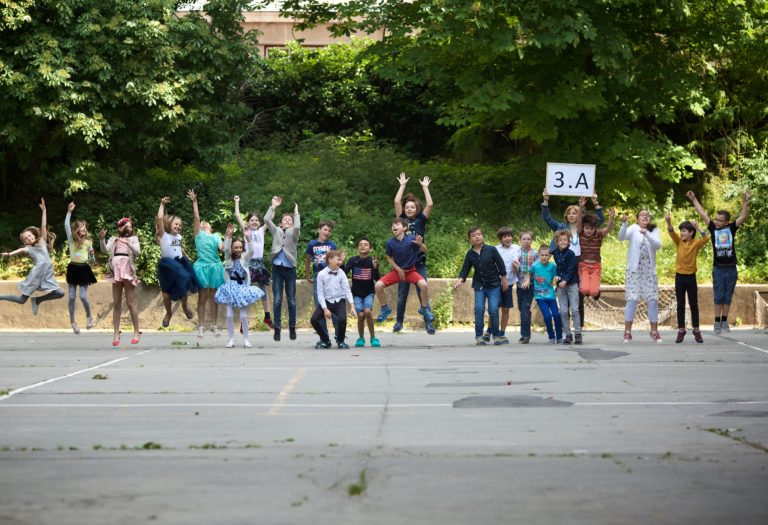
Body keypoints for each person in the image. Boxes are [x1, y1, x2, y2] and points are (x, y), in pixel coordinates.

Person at [686, 190, 751, 334]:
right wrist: (694, 198)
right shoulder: (713, 228)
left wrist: (745, 201)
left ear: (726, 222)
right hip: (718, 268)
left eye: (719, 220)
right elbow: (702, 213)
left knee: (728, 296)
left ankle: (724, 321)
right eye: (715, 219)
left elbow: (743, 216)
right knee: (718, 295)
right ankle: (716, 322)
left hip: (731, 268)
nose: (716, 222)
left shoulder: (731, 228)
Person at [541, 190, 604, 327]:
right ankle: (565, 327)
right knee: (564, 294)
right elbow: (547, 218)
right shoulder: (561, 227)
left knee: (578, 296)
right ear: (566, 216)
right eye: (569, 213)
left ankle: (578, 326)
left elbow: (601, 219)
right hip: (564, 263)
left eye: (574, 213)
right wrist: (546, 201)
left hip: (581, 262)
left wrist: (595, 202)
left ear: (579, 215)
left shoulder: (586, 228)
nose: (571, 215)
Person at [0, 198, 65, 315]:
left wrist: (44, 210)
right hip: (36, 276)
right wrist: (9, 254)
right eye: (26, 239)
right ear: (26, 242)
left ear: (34, 235)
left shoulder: (42, 242)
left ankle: (37, 300)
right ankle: (1, 297)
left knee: (60, 293)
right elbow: (20, 250)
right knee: (21, 300)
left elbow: (43, 225)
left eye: (29, 236)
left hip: (47, 275)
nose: (29, 238)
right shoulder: (28, 248)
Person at [388, 172, 434, 332]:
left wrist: (425, 188)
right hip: (403, 265)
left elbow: (430, 205)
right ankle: (399, 322)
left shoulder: (421, 219)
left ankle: (429, 321)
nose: (409, 209)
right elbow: (396, 201)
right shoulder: (400, 220)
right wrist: (402, 186)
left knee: (424, 289)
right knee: (402, 295)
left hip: (419, 262)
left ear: (416, 209)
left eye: (412, 207)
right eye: (407, 207)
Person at [375, 217, 435, 334]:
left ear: (404, 228)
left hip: (411, 271)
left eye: (397, 224)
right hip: (397, 272)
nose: (394, 226)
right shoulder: (390, 243)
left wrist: (420, 244)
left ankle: (424, 309)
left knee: (424, 285)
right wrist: (398, 269)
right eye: (392, 225)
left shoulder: (412, 239)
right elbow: (389, 257)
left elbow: (424, 250)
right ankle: (385, 308)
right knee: (378, 286)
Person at [454, 227, 509, 345]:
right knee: (479, 309)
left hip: (494, 284)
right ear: (470, 240)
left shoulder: (491, 249)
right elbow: (465, 269)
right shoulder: (470, 254)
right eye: (473, 235)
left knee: (493, 310)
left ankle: (496, 335)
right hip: (479, 285)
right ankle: (479, 336)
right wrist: (460, 280)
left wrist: (504, 280)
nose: (477, 237)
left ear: (482, 236)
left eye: (478, 234)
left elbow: (501, 264)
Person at [214, 224, 265, 348]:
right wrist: (228, 235)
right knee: (229, 315)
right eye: (235, 247)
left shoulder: (245, 258)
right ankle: (231, 339)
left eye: (240, 247)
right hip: (230, 287)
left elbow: (252, 250)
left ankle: (246, 339)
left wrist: (248, 238)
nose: (238, 249)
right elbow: (226, 247)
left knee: (243, 315)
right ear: (232, 248)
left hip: (242, 287)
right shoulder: (228, 258)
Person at [665, 211, 709, 343]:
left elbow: (706, 238)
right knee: (680, 304)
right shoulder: (678, 242)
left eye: (684, 231)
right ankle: (681, 330)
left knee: (693, 304)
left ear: (691, 233)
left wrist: (698, 228)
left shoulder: (695, 244)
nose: (682, 233)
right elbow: (672, 232)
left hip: (691, 278)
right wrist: (668, 221)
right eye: (681, 231)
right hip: (679, 278)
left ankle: (696, 330)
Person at [619, 210, 662, 343]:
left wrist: (647, 234)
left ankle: (654, 331)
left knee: (653, 300)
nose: (645, 216)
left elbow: (657, 245)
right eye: (642, 215)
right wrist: (624, 224)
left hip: (649, 271)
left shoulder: (653, 229)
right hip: (634, 271)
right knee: (632, 300)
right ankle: (627, 332)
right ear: (637, 219)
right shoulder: (633, 228)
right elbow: (621, 237)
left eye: (647, 215)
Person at [155, 196, 198, 327]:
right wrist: (162, 204)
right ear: (169, 225)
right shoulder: (163, 235)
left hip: (179, 264)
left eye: (180, 225)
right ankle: (169, 313)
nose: (178, 226)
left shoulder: (179, 237)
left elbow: (177, 248)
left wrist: (185, 254)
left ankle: (185, 307)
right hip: (167, 267)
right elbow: (160, 219)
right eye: (176, 224)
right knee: (166, 294)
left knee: (183, 288)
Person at [188, 190, 225, 338]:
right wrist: (195, 202)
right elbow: (196, 218)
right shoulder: (198, 234)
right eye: (202, 223)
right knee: (202, 298)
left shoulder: (216, 236)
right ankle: (201, 326)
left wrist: (228, 237)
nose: (203, 223)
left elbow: (222, 248)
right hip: (202, 267)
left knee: (214, 298)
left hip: (215, 267)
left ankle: (214, 326)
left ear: (211, 228)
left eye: (206, 224)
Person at [234, 196, 274, 329]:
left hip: (260, 263)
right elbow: (238, 216)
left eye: (257, 220)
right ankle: (243, 321)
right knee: (246, 291)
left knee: (263, 290)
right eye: (252, 220)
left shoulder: (262, 231)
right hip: (248, 263)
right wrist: (237, 202)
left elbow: (269, 219)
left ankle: (267, 317)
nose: (255, 222)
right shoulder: (246, 231)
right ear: (248, 222)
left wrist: (273, 206)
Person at [100, 217, 141, 347]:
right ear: (120, 228)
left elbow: (138, 252)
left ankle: (136, 331)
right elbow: (105, 250)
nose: (129, 228)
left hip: (127, 270)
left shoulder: (133, 239)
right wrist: (101, 239)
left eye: (130, 226)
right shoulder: (113, 239)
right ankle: (116, 333)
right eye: (126, 226)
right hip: (116, 271)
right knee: (117, 302)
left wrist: (128, 243)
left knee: (130, 302)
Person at [264, 195, 301, 342]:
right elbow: (267, 220)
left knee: (291, 300)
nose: (288, 221)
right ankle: (277, 328)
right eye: (285, 219)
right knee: (277, 299)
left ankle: (292, 327)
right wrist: (273, 206)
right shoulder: (276, 231)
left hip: (290, 268)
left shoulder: (294, 233)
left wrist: (296, 214)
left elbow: (297, 226)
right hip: (277, 268)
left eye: (290, 220)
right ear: (280, 223)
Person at [310, 250, 357, 349]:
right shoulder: (321, 274)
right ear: (330, 260)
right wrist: (325, 308)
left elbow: (347, 289)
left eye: (340, 260)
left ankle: (340, 341)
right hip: (326, 301)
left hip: (339, 301)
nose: (340, 262)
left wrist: (352, 305)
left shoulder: (341, 273)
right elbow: (320, 293)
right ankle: (325, 340)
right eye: (338, 259)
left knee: (342, 320)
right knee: (314, 319)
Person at [64, 201, 97, 334]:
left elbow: (92, 262)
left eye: (85, 227)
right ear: (76, 229)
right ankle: (73, 322)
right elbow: (66, 225)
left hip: (84, 269)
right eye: (81, 226)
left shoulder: (89, 242)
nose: (84, 228)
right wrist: (69, 212)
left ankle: (89, 317)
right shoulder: (72, 240)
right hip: (73, 269)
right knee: (71, 297)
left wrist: (92, 255)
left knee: (83, 296)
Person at [343, 237, 381, 347]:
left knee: (367, 312)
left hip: (369, 292)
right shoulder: (353, 260)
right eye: (360, 244)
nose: (363, 246)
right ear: (357, 248)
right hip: (356, 293)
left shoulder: (372, 261)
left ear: (370, 248)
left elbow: (377, 279)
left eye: (365, 244)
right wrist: (342, 262)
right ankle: (361, 338)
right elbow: (343, 273)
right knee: (360, 315)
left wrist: (375, 268)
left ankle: (373, 338)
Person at [485, 226, 520, 341]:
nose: (507, 238)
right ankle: (489, 330)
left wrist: (516, 267)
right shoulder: (495, 249)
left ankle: (502, 332)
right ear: (501, 238)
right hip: (496, 282)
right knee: (494, 308)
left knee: (505, 308)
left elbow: (518, 262)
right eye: (504, 237)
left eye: (509, 236)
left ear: (512, 237)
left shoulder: (517, 248)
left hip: (509, 283)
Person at [521, 245, 562, 344]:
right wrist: (527, 281)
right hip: (540, 296)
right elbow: (529, 272)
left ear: (549, 256)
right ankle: (551, 337)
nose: (544, 257)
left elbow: (555, 274)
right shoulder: (535, 265)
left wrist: (556, 277)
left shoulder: (552, 266)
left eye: (546, 255)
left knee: (556, 315)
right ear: (539, 255)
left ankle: (559, 336)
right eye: (542, 255)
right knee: (547, 316)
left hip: (550, 295)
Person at [578, 208, 616, 300]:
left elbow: (608, 229)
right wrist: (580, 207)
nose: (589, 231)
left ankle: (595, 292)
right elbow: (579, 222)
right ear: (583, 228)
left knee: (594, 292)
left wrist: (611, 218)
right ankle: (587, 290)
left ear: (595, 228)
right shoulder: (581, 234)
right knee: (584, 290)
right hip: (584, 265)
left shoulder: (599, 234)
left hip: (596, 266)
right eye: (587, 228)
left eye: (591, 228)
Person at [551, 230, 582, 344]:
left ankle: (578, 333)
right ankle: (568, 334)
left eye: (565, 240)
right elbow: (554, 266)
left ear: (568, 242)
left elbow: (571, 269)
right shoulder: (555, 253)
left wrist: (565, 280)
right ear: (557, 242)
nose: (563, 241)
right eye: (560, 240)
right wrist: (556, 277)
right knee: (563, 311)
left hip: (571, 283)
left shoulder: (571, 254)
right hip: (560, 286)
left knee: (574, 309)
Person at [305, 220, 337, 305]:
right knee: (319, 301)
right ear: (319, 230)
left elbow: (335, 262)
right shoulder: (312, 244)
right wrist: (307, 276)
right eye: (325, 229)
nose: (327, 232)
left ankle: (331, 318)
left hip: (330, 276)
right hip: (318, 275)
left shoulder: (332, 245)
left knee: (330, 301)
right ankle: (320, 318)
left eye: (329, 231)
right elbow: (307, 260)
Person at [516, 230, 537, 344]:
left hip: (531, 285)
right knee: (521, 309)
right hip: (519, 285)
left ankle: (525, 335)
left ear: (531, 240)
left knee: (524, 308)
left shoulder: (534, 253)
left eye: (528, 239)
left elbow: (537, 268)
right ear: (520, 240)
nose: (526, 241)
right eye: (524, 239)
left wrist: (530, 279)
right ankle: (526, 327)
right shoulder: (517, 252)